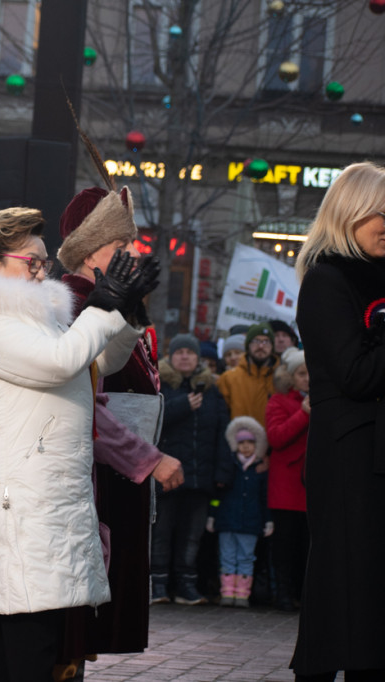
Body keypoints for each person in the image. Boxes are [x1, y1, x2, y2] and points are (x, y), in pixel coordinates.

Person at [0, 206, 158, 679]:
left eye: (44, 262)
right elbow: (59, 362)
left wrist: (125, 309)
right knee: (29, 619)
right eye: (30, 260)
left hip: (46, 482)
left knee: (22, 619)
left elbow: (97, 362)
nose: (41, 269)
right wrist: (102, 303)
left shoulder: (34, 316)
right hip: (19, 486)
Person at [55, 183, 183, 668]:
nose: (131, 256)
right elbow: (85, 396)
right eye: (120, 248)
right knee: (78, 609)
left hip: (122, 468)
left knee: (97, 611)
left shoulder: (108, 301)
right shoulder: (73, 300)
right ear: (90, 253)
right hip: (103, 469)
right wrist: (143, 458)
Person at [290, 161, 385, 680]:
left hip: (375, 455)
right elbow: (354, 374)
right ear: (351, 212)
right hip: (350, 459)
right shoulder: (328, 281)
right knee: (344, 587)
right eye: (382, 213)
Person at [151, 333, 232, 606]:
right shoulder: (160, 386)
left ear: (198, 358)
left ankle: (187, 586)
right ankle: (158, 585)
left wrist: (221, 472)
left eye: (190, 352)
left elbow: (223, 433)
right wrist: (181, 406)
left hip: (200, 478)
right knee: (161, 534)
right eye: (179, 351)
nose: (184, 355)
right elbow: (153, 421)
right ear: (170, 357)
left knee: (192, 537)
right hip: (166, 478)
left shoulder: (211, 390)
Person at [265, 348, 309, 612]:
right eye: (302, 374)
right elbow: (277, 437)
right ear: (291, 377)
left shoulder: (324, 400)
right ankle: (282, 594)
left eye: (310, 373)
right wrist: (304, 413)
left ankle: (304, 595)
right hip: (286, 488)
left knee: (306, 548)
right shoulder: (279, 402)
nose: (308, 379)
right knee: (284, 548)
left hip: (312, 487)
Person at [210, 416, 270, 608]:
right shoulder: (229, 467)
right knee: (227, 556)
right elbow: (217, 494)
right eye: (241, 442)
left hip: (251, 523)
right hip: (226, 520)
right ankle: (227, 592)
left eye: (250, 443)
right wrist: (212, 514)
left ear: (257, 444)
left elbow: (264, 497)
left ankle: (243, 594)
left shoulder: (260, 470)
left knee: (246, 557)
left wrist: (268, 520)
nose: (245, 447)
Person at [217, 323, 279, 424]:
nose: (261, 346)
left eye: (266, 341)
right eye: (256, 341)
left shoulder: (281, 380)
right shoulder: (229, 378)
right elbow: (221, 418)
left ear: (272, 347)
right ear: (247, 345)